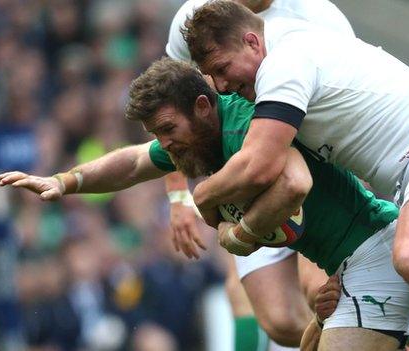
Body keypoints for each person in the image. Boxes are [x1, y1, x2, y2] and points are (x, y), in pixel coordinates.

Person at [0, 58, 409, 351]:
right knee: (304, 327)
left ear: (202, 106)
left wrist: (231, 227)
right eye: (155, 132)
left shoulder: (246, 128)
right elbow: (132, 162)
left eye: (166, 129)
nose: (164, 144)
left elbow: (294, 183)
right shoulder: (199, 139)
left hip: (374, 248)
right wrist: (64, 180)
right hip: (348, 262)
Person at [183, 1, 409, 350]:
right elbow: (144, 154)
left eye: (222, 68)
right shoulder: (287, 48)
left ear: (251, 41)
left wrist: (200, 198)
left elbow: (259, 165)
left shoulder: (283, 64)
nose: (220, 85)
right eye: (211, 76)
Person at [162, 1, 356, 348]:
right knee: (276, 319)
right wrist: (178, 197)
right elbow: (166, 102)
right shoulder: (191, 19)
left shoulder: (318, 16)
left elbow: (345, 108)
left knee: (317, 291)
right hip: (240, 175)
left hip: (311, 166)